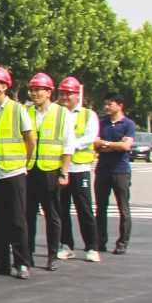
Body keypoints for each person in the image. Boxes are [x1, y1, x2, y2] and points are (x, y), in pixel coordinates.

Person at [0, 67, 36, 278]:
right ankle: (2, 262)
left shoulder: (17, 110)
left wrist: (23, 163)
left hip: (13, 172)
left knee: (17, 219)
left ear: (4, 86)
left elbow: (30, 141)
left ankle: (22, 263)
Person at [22, 74, 71, 271]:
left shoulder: (61, 113)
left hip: (50, 171)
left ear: (49, 92)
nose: (34, 94)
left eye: (38, 90)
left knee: (52, 215)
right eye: (32, 90)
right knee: (28, 214)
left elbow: (68, 145)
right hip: (30, 170)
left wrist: (64, 172)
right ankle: (28, 254)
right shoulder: (27, 112)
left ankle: (52, 255)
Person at [57, 77, 98, 259]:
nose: (65, 97)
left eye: (69, 94)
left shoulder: (88, 115)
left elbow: (90, 136)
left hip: (79, 168)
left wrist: (70, 146)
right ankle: (66, 245)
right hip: (61, 168)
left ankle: (92, 247)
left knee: (84, 208)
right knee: (62, 209)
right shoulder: (57, 113)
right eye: (62, 93)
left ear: (77, 95)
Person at [92, 93, 137, 255]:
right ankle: (100, 241)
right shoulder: (102, 123)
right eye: (106, 104)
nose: (106, 107)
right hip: (102, 170)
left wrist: (106, 144)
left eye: (110, 104)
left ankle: (122, 243)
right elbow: (95, 145)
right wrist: (114, 145)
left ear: (119, 106)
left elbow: (126, 147)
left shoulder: (128, 124)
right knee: (100, 208)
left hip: (121, 171)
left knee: (123, 208)